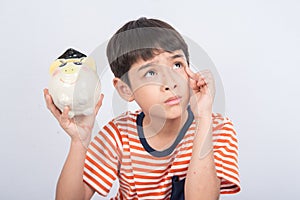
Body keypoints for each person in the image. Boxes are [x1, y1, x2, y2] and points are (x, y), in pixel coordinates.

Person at [44, 17, 240, 200]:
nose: (170, 82)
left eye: (177, 65)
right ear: (125, 89)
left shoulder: (217, 129)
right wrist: (79, 140)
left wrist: (203, 117)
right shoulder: (120, 134)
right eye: (151, 72)